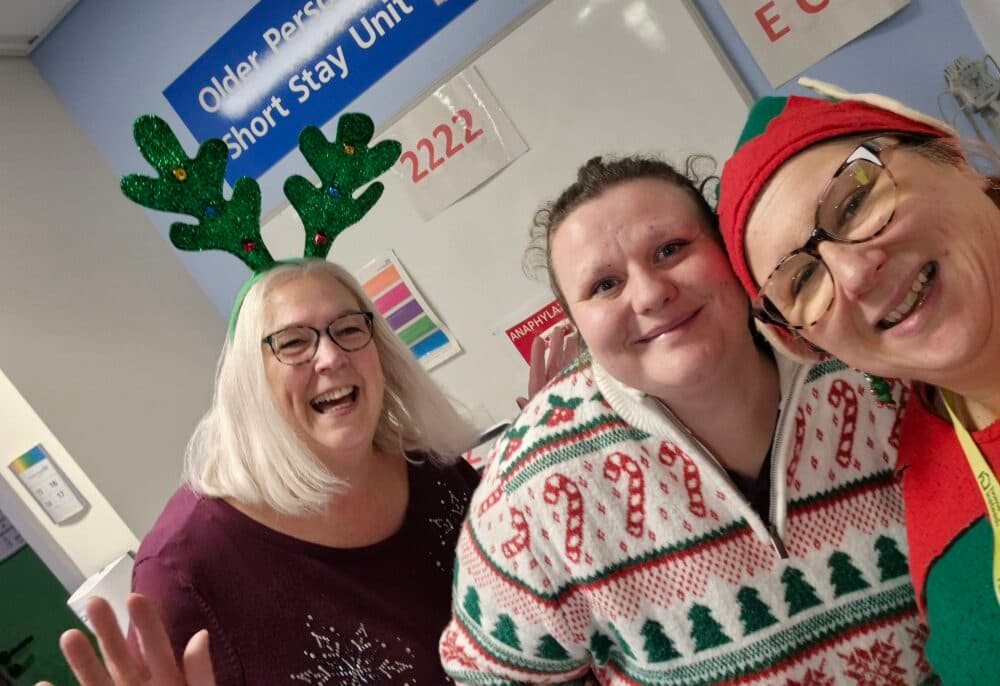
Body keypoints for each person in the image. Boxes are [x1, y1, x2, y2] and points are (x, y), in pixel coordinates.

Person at [439, 156, 928, 684]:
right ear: (577, 326)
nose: (650, 294)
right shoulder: (529, 489)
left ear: (728, 249)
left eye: (670, 249)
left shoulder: (865, 359)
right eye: (604, 285)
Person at [50, 258, 479, 686]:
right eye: (293, 342)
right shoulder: (188, 568)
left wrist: (537, 472)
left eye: (348, 329)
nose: (331, 357)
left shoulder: (434, 470)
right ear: (251, 379)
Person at [717, 89, 1000, 684]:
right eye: (800, 282)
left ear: (950, 154)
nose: (852, 271)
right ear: (808, 343)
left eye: (854, 202)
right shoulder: (922, 460)